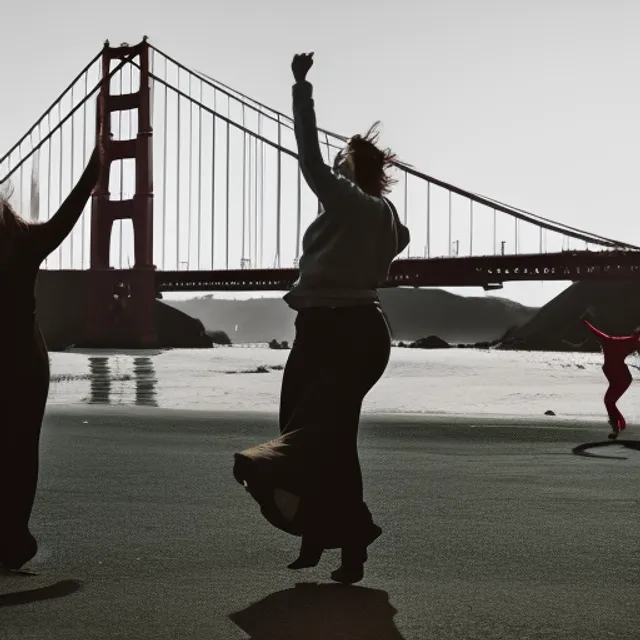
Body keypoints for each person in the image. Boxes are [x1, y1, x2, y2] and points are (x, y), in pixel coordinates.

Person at [233, 52, 410, 585]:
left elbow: (308, 158)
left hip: (344, 331)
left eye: (342, 163)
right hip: (329, 329)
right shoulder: (379, 219)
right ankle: (327, 537)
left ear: (355, 172)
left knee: (309, 434)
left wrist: (301, 87)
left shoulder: (355, 205)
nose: (332, 168)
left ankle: (345, 541)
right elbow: (394, 243)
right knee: (321, 435)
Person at [0, 147, 101, 570]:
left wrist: (96, 164)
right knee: (22, 448)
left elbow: (70, 209)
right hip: (26, 360)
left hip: (21, 361)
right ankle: (14, 537)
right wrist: (97, 162)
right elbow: (71, 210)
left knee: (18, 448)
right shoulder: (26, 240)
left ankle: (13, 538)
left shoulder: (25, 241)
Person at [566, 309, 640, 439]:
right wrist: (584, 322)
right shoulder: (628, 342)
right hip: (621, 378)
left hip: (621, 379)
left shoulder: (608, 341)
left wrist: (583, 321)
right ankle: (618, 426)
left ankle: (617, 427)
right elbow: (593, 331)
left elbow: (593, 331)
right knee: (609, 402)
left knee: (609, 401)